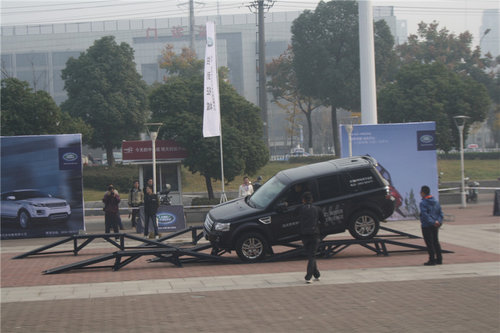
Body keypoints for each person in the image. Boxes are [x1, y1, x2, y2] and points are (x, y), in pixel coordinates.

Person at [296, 191, 325, 283]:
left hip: (304, 235)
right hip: (315, 234)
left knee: (310, 254)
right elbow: (323, 220)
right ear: (312, 200)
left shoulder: (300, 208)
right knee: (312, 255)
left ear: (303, 200)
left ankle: (312, 275)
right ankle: (313, 275)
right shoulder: (317, 209)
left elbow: (294, 216)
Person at [419, 185, 443, 266]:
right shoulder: (436, 201)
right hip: (436, 225)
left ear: (423, 193)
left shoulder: (423, 203)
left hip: (426, 225)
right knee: (436, 241)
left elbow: (425, 215)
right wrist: (438, 222)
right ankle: (439, 259)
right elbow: (440, 213)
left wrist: (432, 222)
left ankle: (432, 259)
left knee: (429, 243)